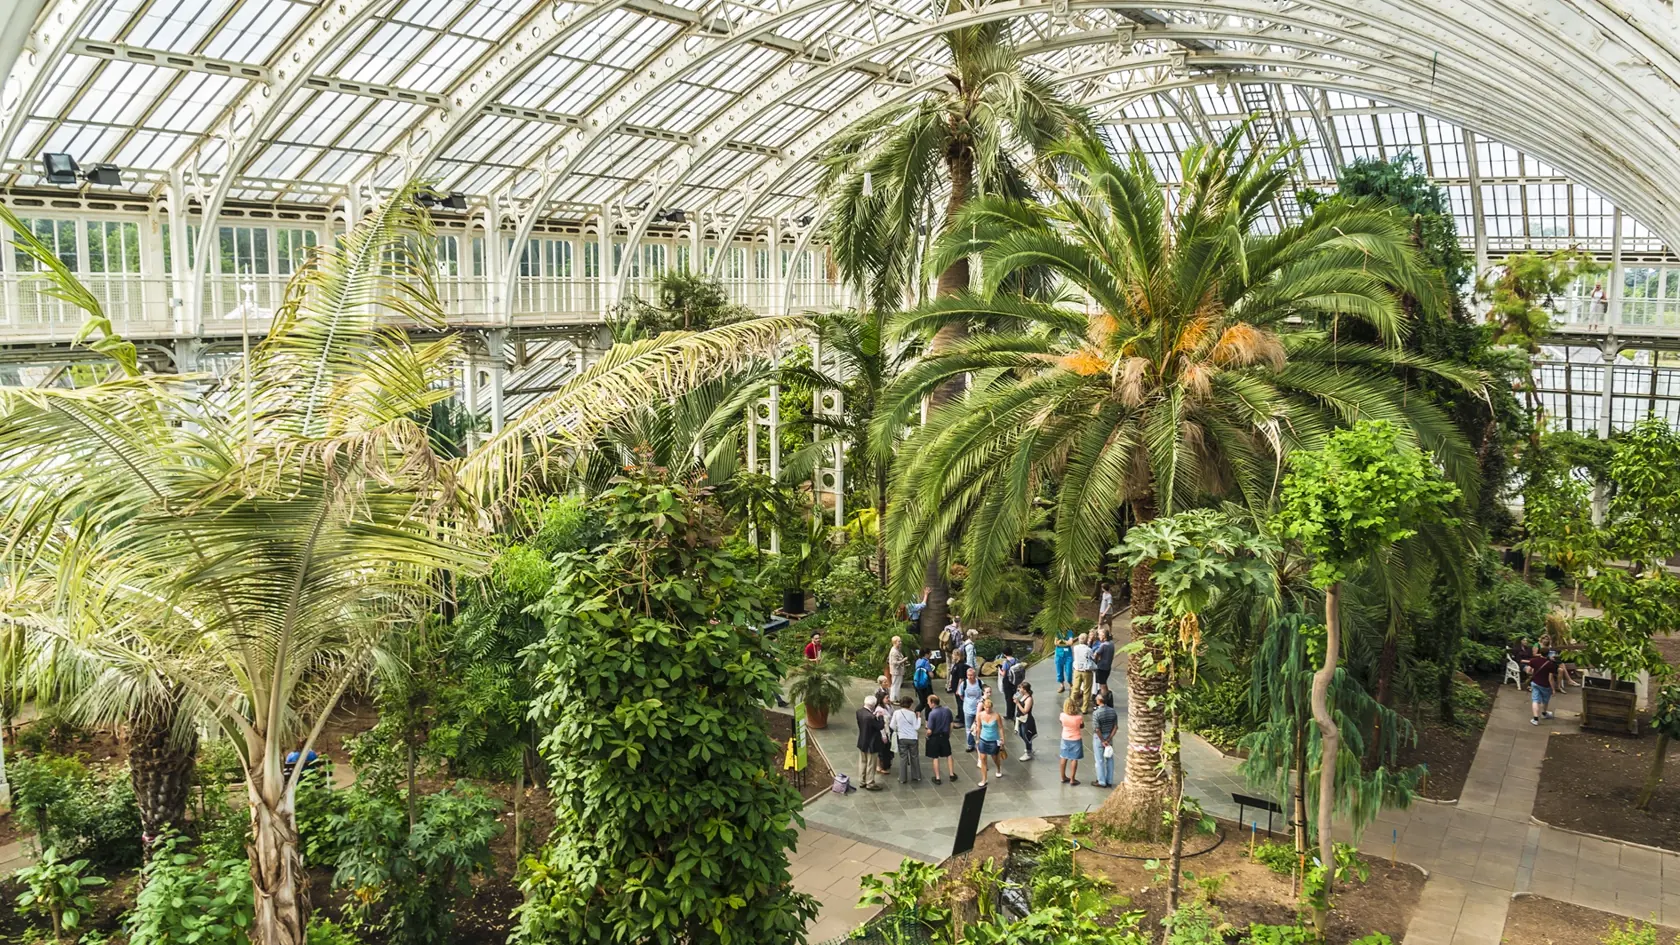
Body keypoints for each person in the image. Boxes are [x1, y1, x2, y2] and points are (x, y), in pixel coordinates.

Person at [971, 694, 1006, 786]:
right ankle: (984, 779)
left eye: (989, 708)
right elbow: (979, 727)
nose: (987, 709)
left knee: (995, 758)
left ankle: (998, 768)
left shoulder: (996, 716)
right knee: (983, 759)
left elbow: (1001, 728)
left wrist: (1002, 739)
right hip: (983, 739)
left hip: (994, 740)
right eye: (986, 707)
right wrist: (977, 739)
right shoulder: (980, 715)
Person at [925, 695, 958, 785]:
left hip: (934, 737)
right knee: (948, 755)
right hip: (944, 736)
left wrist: (927, 734)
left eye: (928, 701)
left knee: (935, 757)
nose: (928, 703)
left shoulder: (932, 714)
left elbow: (930, 730)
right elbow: (951, 724)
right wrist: (949, 734)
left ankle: (938, 777)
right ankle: (951, 774)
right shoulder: (947, 710)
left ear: (932, 702)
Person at [854, 696, 884, 791]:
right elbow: (880, 726)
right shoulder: (870, 717)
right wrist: (880, 717)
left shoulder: (859, 712)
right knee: (871, 764)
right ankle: (870, 783)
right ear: (873, 705)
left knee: (863, 762)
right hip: (871, 743)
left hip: (862, 741)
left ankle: (862, 781)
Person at [891, 697, 923, 784]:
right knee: (914, 757)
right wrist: (919, 718)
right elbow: (916, 727)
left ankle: (902, 778)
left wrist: (898, 730)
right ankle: (916, 776)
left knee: (903, 758)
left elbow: (892, 725)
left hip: (902, 738)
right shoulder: (912, 714)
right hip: (913, 738)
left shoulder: (896, 713)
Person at [1092, 690, 1119, 788]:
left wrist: (1102, 740)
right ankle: (1109, 780)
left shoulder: (1096, 713)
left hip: (1099, 738)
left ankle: (1101, 780)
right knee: (1110, 758)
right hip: (1109, 736)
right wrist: (1109, 738)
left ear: (1100, 700)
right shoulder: (1112, 711)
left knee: (1099, 760)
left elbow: (1097, 729)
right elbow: (1115, 727)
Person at [1058, 697, 1085, 786]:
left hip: (1065, 738)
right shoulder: (1078, 717)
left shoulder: (1062, 715)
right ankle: (1072, 779)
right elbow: (1082, 726)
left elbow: (1061, 723)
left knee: (1063, 757)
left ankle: (1062, 777)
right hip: (1076, 739)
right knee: (1074, 759)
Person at [1529, 647, 1559, 725]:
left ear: (1540, 653)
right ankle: (1544, 713)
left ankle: (1535, 719)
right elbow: (1550, 678)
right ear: (1548, 654)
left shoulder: (1534, 661)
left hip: (1535, 683)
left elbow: (1529, 670)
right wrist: (1553, 689)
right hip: (1545, 685)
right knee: (1545, 701)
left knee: (1535, 700)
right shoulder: (1550, 664)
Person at [958, 666, 985, 752]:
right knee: (968, 727)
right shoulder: (964, 684)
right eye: (968, 675)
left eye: (971, 675)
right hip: (968, 709)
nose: (970, 677)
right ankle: (970, 744)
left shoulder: (980, 683)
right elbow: (960, 694)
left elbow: (985, 693)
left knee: (980, 727)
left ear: (975, 675)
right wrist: (967, 701)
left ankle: (980, 743)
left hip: (979, 709)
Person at [1071, 633, 1095, 713]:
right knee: (1087, 690)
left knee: (1075, 689)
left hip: (1077, 671)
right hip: (1086, 672)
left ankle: (1071, 706)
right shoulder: (1088, 649)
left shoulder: (1075, 648)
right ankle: (1084, 708)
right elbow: (1093, 657)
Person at [1014, 681, 1038, 761]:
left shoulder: (1029, 699)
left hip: (1026, 719)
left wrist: (1017, 703)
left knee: (1026, 735)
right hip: (1021, 718)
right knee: (1021, 734)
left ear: (1025, 689)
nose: (1019, 689)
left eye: (1020, 688)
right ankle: (1029, 747)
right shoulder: (1022, 696)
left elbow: (1025, 711)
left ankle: (1028, 751)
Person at [1092, 628, 1114, 700]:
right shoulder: (1111, 643)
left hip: (1101, 667)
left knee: (1102, 685)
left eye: (1100, 635)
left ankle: (1104, 700)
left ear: (1104, 636)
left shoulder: (1103, 645)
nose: (1099, 637)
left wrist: (1095, 660)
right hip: (1108, 667)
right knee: (1104, 682)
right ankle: (1108, 697)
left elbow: (1096, 654)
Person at [999, 648, 1020, 720]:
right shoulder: (1017, 660)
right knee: (1013, 696)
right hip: (1015, 681)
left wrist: (999, 670)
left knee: (1008, 698)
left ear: (1004, 654)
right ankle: (1013, 713)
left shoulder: (1006, 662)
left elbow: (1003, 674)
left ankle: (1009, 715)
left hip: (1007, 681)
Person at [888, 636, 909, 701]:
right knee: (895, 685)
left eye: (900, 641)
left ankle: (896, 698)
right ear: (894, 642)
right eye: (899, 641)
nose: (900, 643)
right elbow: (894, 662)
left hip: (898, 670)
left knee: (897, 684)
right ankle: (893, 699)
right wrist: (903, 660)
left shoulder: (897, 649)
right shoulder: (894, 651)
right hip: (896, 671)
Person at [1054, 628, 1073, 694]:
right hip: (1059, 655)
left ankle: (1071, 684)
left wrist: (1061, 641)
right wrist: (1066, 642)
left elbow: (1071, 643)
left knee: (1069, 672)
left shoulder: (1069, 632)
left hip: (1068, 655)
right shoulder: (1057, 632)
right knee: (1059, 671)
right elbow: (1055, 643)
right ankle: (1062, 686)